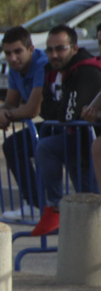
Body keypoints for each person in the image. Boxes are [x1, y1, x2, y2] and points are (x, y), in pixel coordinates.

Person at [30, 24, 101, 236]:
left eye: (60, 48)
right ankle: (54, 207)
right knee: (44, 147)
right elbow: (47, 109)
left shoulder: (86, 70)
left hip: (86, 143)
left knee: (91, 205)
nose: (54, 54)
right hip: (79, 143)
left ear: (74, 48)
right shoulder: (51, 71)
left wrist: (88, 114)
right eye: (49, 49)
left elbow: (66, 115)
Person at [0, 26, 47, 221]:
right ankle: (34, 203)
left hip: (64, 123)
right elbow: (11, 102)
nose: (12, 58)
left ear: (31, 49)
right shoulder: (15, 69)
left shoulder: (42, 64)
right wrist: (1, 112)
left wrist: (7, 116)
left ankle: (40, 204)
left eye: (18, 52)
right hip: (50, 124)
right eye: (8, 53)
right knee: (13, 146)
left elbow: (33, 109)